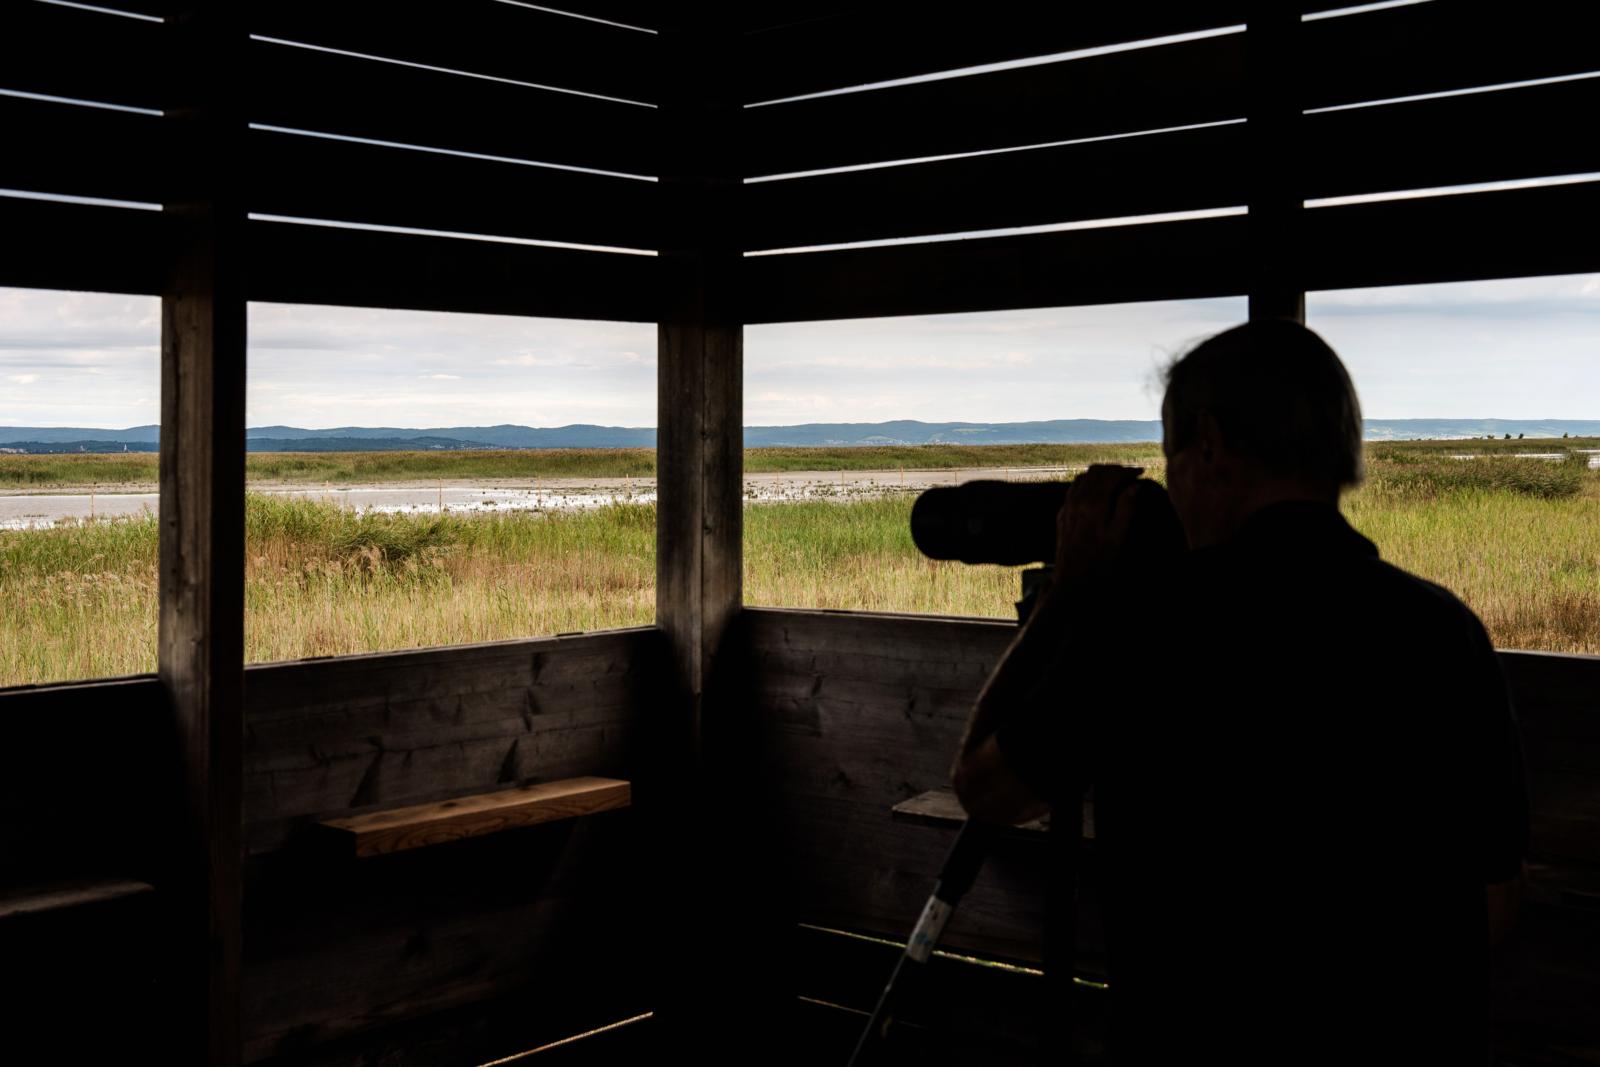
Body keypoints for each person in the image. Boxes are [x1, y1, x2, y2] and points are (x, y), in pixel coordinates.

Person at [951, 319, 1530, 1065]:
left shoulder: (1153, 628)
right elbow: (1494, 898)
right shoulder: (1444, 630)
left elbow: (984, 787)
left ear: (1210, 444)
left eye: (1172, 457)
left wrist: (1068, 596)